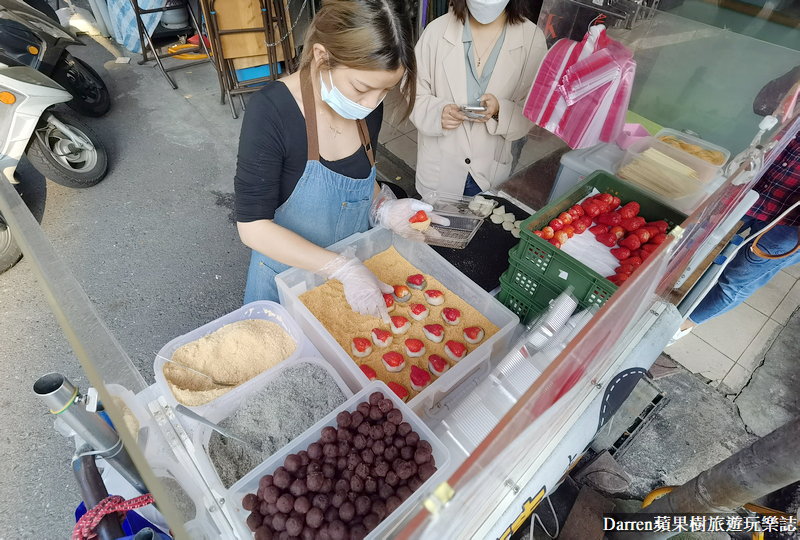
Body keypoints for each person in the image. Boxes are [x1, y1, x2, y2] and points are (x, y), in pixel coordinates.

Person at [234, 0, 446, 321]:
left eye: (384, 91)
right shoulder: (271, 111)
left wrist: (384, 207)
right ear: (322, 56)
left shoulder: (368, 109)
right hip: (284, 285)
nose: (372, 103)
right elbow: (253, 227)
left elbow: (356, 179)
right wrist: (340, 267)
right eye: (361, 88)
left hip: (354, 284)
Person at [680, 70, 800, 333]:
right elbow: (763, 105)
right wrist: (794, 82)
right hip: (754, 190)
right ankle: (661, 301)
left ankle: (678, 328)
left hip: (789, 223)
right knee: (695, 242)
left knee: (737, 278)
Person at [410, 0, 546, 197]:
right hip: (440, 169)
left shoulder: (532, 39)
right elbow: (413, 94)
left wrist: (500, 111)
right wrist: (438, 112)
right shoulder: (436, 31)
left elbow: (532, 110)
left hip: (489, 172)